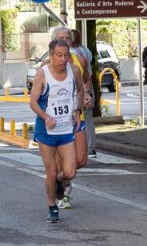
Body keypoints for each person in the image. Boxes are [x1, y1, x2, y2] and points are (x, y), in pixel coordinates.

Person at [30, 38, 84, 223]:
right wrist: (46, 117)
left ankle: (60, 182)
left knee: (70, 172)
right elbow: (33, 102)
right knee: (51, 171)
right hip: (46, 131)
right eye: (59, 55)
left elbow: (80, 90)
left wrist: (77, 111)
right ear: (51, 56)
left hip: (66, 129)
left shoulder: (74, 71)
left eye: (66, 55)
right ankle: (52, 207)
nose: (63, 59)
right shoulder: (42, 74)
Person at [51, 26, 91, 210]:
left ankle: (60, 179)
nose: (66, 40)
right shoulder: (46, 66)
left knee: (81, 160)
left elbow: (86, 82)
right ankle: (64, 192)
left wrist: (88, 94)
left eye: (68, 38)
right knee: (64, 162)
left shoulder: (79, 61)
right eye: (61, 38)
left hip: (76, 117)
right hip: (57, 122)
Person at [71, 29, 97, 158]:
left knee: (75, 117)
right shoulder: (86, 50)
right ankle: (91, 147)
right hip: (88, 86)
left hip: (79, 88)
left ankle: (78, 147)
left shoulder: (71, 54)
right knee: (88, 119)